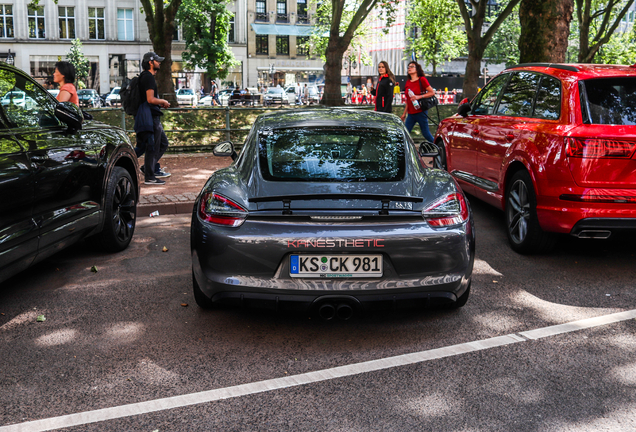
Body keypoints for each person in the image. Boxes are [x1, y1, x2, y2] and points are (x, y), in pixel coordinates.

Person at [138, 52, 171, 185]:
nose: (160, 63)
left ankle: (148, 168)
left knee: (162, 143)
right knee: (152, 146)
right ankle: (150, 176)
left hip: (149, 116)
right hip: (151, 117)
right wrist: (162, 101)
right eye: (157, 61)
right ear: (150, 62)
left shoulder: (144, 77)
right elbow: (150, 99)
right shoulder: (148, 77)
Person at [400, 61, 436, 143]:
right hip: (411, 113)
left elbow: (432, 92)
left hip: (421, 112)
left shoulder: (422, 80)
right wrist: (404, 114)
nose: (409, 68)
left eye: (412, 66)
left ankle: (439, 148)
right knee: (405, 133)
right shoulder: (408, 82)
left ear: (417, 69)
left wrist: (419, 96)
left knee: (426, 133)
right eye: (408, 67)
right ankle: (404, 152)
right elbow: (408, 100)